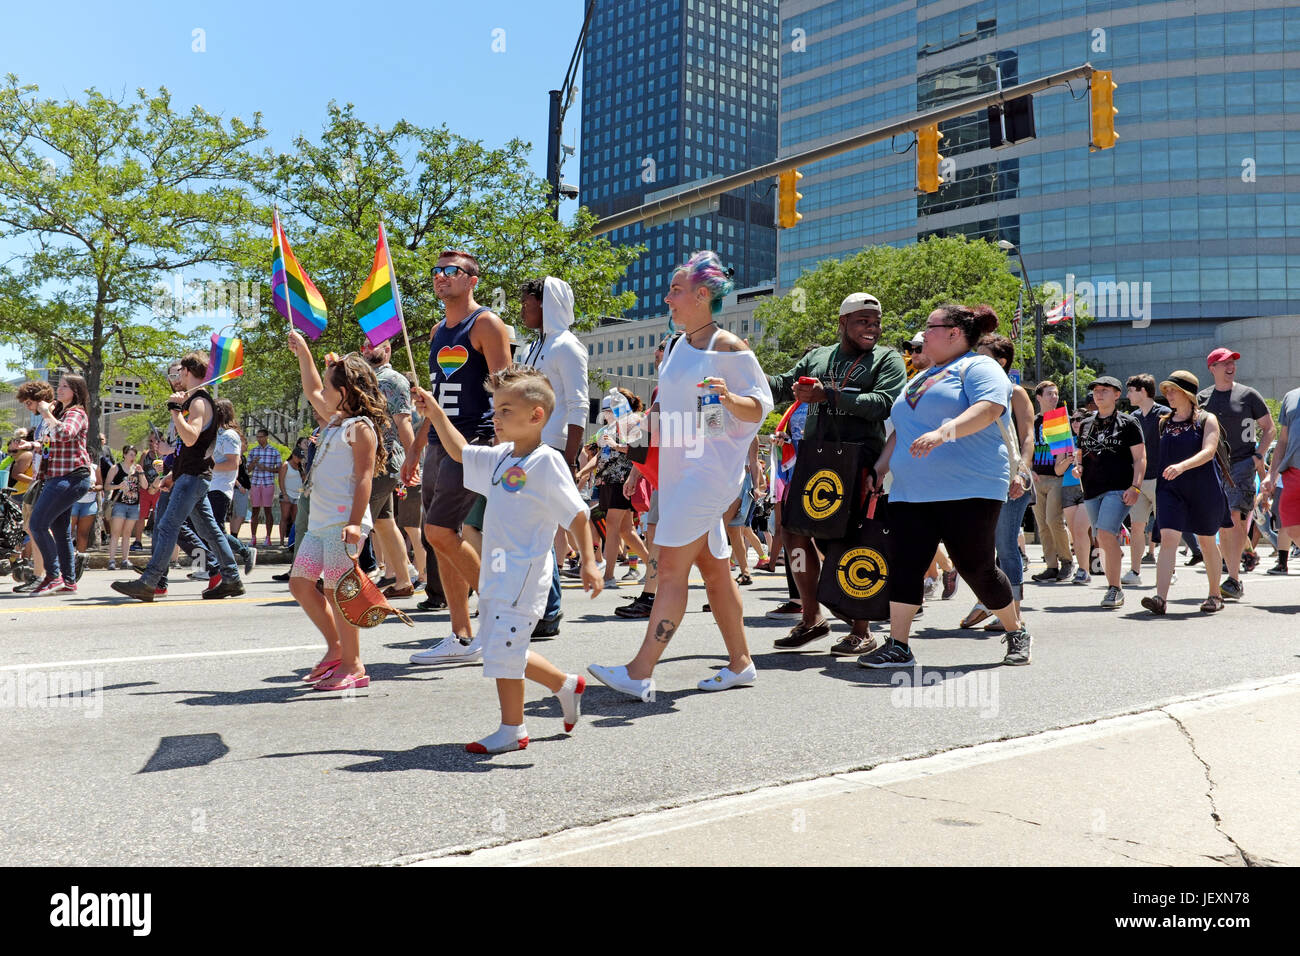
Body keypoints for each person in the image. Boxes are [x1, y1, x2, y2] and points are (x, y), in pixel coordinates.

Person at [589, 251, 773, 699]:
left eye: (675, 290)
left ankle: (640, 670)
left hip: (707, 475)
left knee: (670, 568)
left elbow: (760, 406)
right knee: (714, 571)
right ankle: (741, 663)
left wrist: (730, 399)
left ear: (702, 295)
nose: (667, 298)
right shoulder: (674, 346)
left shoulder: (729, 347)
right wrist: (639, 450)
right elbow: (663, 408)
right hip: (676, 472)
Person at [412, 365, 601, 753]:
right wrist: (435, 413)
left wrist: (589, 562)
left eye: (506, 411)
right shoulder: (501, 457)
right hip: (497, 571)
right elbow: (459, 451)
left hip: (524, 574)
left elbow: (578, 514)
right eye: (495, 410)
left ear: (536, 416)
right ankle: (564, 684)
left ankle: (513, 729)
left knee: (503, 648)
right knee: (501, 643)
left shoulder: (547, 462)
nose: (496, 419)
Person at [859, 303, 1031, 668]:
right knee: (905, 564)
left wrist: (944, 432)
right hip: (910, 490)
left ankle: (1015, 630)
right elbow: (901, 433)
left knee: (976, 567)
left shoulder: (978, 366)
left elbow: (989, 408)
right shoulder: (919, 377)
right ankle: (899, 645)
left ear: (955, 332)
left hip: (969, 487)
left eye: (930, 327)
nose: (924, 335)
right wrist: (878, 469)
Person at [765, 291, 907, 655]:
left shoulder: (887, 358)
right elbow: (783, 384)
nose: (871, 328)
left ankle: (862, 629)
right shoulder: (818, 356)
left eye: (875, 323)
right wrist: (742, 374)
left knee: (849, 542)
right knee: (794, 533)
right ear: (843, 322)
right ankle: (811, 617)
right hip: (816, 461)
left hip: (860, 460)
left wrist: (827, 396)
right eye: (862, 321)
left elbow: (883, 405)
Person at [403, 250, 512, 662]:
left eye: (452, 271)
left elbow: (508, 389)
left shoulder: (486, 323)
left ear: (473, 280)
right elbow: (434, 405)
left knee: (440, 532)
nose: (441, 277)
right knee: (442, 538)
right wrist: (415, 447)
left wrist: (509, 446)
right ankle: (462, 635)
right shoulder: (436, 333)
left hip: (474, 442)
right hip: (437, 445)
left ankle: (502, 612)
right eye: (437, 271)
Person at [283, 334, 389, 690]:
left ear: (345, 391)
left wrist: (357, 524)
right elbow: (312, 385)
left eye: (330, 388)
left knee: (338, 591)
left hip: (344, 524)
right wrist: (305, 354)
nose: (321, 395)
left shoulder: (359, 428)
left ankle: (353, 665)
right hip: (318, 526)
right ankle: (336, 648)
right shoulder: (336, 420)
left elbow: (363, 478)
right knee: (300, 584)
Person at [111, 352, 245, 602]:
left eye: (179, 372)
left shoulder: (198, 402)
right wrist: (173, 473)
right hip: (190, 475)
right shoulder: (197, 401)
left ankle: (150, 582)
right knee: (210, 531)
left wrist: (175, 412)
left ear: (187, 371)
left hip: (193, 478)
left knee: (168, 526)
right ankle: (231, 579)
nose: (176, 377)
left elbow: (191, 437)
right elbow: (191, 448)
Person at [517, 276, 589, 634]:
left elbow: (578, 405)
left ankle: (549, 611)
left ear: (545, 304)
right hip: (527, 448)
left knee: (540, 531)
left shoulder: (568, 347)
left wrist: (571, 458)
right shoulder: (533, 347)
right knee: (531, 530)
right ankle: (540, 607)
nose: (522, 309)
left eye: (528, 303)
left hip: (554, 449)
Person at [1137, 371, 1230, 615]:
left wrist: (1182, 466)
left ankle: (1214, 594)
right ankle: (1160, 598)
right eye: (1166, 391)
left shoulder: (1207, 420)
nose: (1168, 395)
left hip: (1203, 488)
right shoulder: (1164, 422)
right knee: (1168, 537)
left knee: (1207, 541)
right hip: (1170, 489)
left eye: (1173, 390)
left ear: (1188, 394)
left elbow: (1209, 451)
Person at [960, 329, 1035, 630]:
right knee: (979, 546)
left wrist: (1022, 471)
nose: (975, 362)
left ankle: (1015, 613)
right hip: (980, 476)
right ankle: (990, 601)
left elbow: (1028, 435)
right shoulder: (969, 391)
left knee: (1005, 545)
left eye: (983, 357)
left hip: (1011, 478)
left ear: (1001, 361)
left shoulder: (1015, 392)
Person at [1196, 348, 1275, 600]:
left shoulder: (1249, 395)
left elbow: (1269, 428)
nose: (1230, 367)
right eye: (1224, 363)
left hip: (1241, 464)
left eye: (1233, 363)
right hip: (1212, 465)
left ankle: (1233, 578)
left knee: (1234, 517)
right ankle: (1231, 571)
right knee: (1221, 522)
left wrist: (1258, 455)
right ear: (1212, 368)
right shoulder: (1202, 399)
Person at [1075, 376, 1146, 609]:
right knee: (1102, 540)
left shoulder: (1128, 423)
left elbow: (1140, 458)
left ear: (1117, 394)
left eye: (1104, 390)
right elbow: (1081, 454)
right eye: (1096, 390)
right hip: (1091, 489)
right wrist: (1078, 467)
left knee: (1105, 534)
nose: (1098, 394)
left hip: (1118, 488)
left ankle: (1114, 588)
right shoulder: (1086, 423)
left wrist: (1136, 487)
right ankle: (1115, 573)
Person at [18, 375, 92, 595]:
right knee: (60, 530)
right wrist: (31, 444)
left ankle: (53, 575)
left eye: (65, 387)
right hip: (58, 476)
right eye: (58, 386)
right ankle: (68, 581)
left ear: (76, 391)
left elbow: (65, 433)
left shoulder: (76, 413)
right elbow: (51, 446)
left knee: (38, 524)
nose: (59, 390)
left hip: (70, 477)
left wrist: (46, 412)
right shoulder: (60, 413)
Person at [360, 339, 417, 599]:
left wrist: (415, 461)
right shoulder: (363, 378)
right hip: (368, 460)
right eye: (365, 345)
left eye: (374, 345)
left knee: (358, 521)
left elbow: (404, 424)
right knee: (383, 523)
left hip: (384, 461)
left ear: (388, 350)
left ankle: (337, 580)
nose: (367, 349)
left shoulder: (394, 380)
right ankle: (404, 581)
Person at [1124, 374, 1170, 586]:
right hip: (1139, 481)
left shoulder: (1165, 415)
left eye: (1131, 390)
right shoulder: (1131, 418)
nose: (1128, 395)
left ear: (1143, 391)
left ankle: (1169, 570)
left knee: (1168, 528)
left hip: (1162, 479)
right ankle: (1135, 572)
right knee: (1136, 526)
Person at [1028, 380, 1073, 583]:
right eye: (1049, 394)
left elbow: (1063, 453)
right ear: (1039, 398)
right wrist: (1027, 470)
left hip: (1056, 478)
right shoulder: (1032, 421)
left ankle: (1067, 562)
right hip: (1036, 478)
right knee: (1042, 525)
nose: (1054, 397)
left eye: (1055, 394)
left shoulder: (1061, 419)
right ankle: (1051, 566)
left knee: (1053, 521)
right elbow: (1026, 447)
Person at [205, 399, 256, 577]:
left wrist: (209, 466)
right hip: (210, 487)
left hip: (220, 489)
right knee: (209, 529)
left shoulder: (229, 435)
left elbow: (233, 463)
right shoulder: (217, 434)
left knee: (214, 530)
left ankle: (243, 552)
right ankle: (218, 565)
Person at [1262, 384, 1300, 561]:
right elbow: (1283, 441)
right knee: (1290, 526)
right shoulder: (1291, 397)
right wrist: (1272, 475)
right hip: (1293, 471)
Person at [104, 445, 144, 570]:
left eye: (134, 455)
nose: (133, 457)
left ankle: (125, 560)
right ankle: (111, 560)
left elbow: (144, 485)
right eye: (131, 454)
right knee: (116, 532)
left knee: (127, 533)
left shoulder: (136, 469)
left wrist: (141, 472)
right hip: (119, 504)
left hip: (133, 505)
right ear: (125, 454)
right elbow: (106, 486)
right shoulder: (116, 468)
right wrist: (118, 486)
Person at [247, 428, 282, 548]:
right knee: (255, 510)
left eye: (261, 436)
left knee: (268, 510)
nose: (259, 439)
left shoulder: (274, 451)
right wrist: (254, 462)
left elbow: (280, 468)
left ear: (267, 437)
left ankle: (268, 537)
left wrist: (266, 468)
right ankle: (253, 537)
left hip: (268, 482)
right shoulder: (253, 451)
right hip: (256, 482)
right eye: (257, 437)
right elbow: (248, 469)